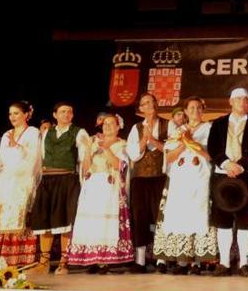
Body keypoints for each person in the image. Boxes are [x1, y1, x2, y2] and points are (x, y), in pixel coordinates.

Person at [152, 96, 219, 274]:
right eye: (191, 108)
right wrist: (183, 143)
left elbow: (211, 156)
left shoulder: (210, 129)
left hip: (200, 178)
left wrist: (193, 142)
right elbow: (171, 157)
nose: (195, 111)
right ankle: (182, 262)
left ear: (203, 110)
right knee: (181, 215)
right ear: (186, 111)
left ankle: (197, 263)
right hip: (181, 180)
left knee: (198, 215)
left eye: (198, 108)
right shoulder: (178, 130)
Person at [67, 114, 135, 273]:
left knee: (106, 224)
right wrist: (89, 149)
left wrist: (105, 148)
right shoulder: (94, 144)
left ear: (118, 127)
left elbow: (119, 165)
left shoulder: (122, 144)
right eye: (105, 124)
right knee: (92, 223)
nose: (108, 127)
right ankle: (94, 259)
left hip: (110, 187)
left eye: (112, 124)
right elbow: (85, 167)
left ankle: (106, 260)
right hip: (93, 187)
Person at [0, 101, 39, 265]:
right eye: (10, 114)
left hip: (21, 183)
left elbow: (34, 160)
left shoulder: (32, 132)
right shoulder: (6, 134)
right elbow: (2, 159)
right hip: (5, 182)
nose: (12, 117)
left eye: (16, 113)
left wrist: (16, 145)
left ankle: (16, 258)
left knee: (16, 217)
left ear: (26, 115)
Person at [30, 102, 90, 275]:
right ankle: (44, 262)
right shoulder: (47, 132)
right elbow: (41, 157)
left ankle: (64, 262)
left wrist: (85, 182)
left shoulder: (79, 132)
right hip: (47, 180)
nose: (66, 115)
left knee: (64, 220)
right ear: (55, 115)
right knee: (44, 220)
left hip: (67, 179)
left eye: (69, 112)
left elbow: (84, 157)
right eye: (62, 112)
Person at [206, 88, 248, 277]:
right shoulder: (218, 123)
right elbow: (212, 147)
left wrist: (241, 166)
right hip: (222, 175)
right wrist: (227, 164)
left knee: (245, 221)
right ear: (230, 102)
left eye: (246, 99)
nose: (242, 103)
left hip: (245, 177)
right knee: (223, 221)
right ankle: (224, 263)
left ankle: (245, 263)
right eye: (238, 99)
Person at [124, 93, 169, 273]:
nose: (149, 105)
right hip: (140, 179)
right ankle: (140, 260)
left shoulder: (168, 124)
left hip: (161, 177)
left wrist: (153, 140)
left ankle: (161, 259)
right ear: (141, 108)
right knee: (140, 217)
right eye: (145, 103)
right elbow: (133, 153)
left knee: (161, 216)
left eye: (151, 102)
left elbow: (171, 150)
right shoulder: (136, 128)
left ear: (157, 104)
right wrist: (144, 139)